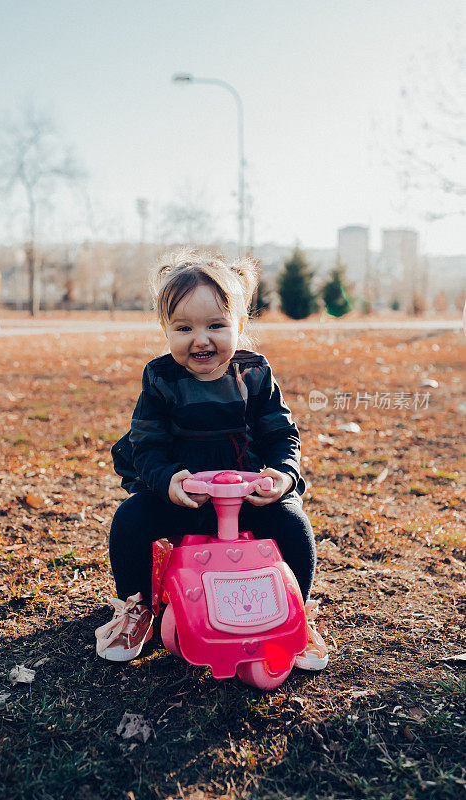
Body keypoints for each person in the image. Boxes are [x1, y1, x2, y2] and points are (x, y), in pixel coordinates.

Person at [96, 249, 328, 671]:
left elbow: (281, 434)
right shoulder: (161, 378)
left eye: (216, 325)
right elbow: (145, 444)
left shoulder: (254, 374)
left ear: (239, 326)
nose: (201, 339)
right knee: (131, 519)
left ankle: (298, 611)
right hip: (183, 497)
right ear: (165, 329)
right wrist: (167, 480)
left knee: (293, 523)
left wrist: (282, 476)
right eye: (184, 327)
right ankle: (136, 608)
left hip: (245, 499)